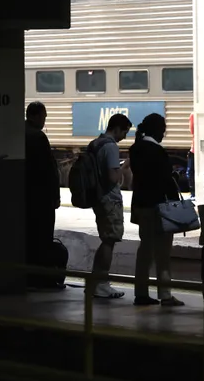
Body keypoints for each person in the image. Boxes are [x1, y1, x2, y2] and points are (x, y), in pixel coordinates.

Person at [128, 113, 183, 306]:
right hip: (159, 207)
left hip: (141, 205)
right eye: (163, 129)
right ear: (157, 129)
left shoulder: (135, 148)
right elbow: (165, 181)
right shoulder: (157, 151)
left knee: (145, 250)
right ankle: (165, 294)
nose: (164, 133)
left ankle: (141, 293)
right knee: (163, 253)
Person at [86, 113, 131, 299]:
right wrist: (125, 166)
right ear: (117, 128)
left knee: (106, 240)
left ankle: (95, 282)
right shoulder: (111, 146)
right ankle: (101, 284)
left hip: (98, 197)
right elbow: (113, 178)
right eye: (124, 132)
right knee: (109, 241)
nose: (124, 137)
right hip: (109, 199)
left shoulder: (95, 143)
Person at [24, 102, 62, 289]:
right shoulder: (38, 137)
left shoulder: (19, 133)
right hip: (41, 198)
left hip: (25, 197)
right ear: (36, 116)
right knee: (43, 238)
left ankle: (29, 276)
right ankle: (43, 278)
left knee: (29, 237)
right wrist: (55, 195)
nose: (44, 121)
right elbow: (49, 170)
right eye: (44, 117)